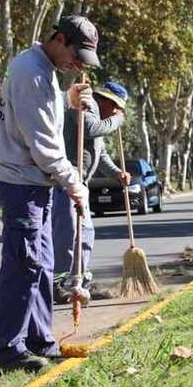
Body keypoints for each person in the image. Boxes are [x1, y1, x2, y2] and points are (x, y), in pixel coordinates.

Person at [0, 15, 101, 372]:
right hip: (21, 182)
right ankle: (10, 350)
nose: (78, 64)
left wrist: (67, 100)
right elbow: (42, 143)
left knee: (43, 265)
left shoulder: (44, 71)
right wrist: (74, 183)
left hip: (36, 182)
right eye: (77, 55)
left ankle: (40, 340)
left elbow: (40, 117)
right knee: (24, 265)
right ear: (60, 39)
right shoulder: (31, 72)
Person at [52, 82, 131, 304]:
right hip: (66, 181)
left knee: (85, 235)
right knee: (67, 235)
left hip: (81, 183)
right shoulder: (88, 105)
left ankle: (79, 282)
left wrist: (117, 173)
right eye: (115, 106)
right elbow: (89, 129)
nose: (116, 112)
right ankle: (58, 283)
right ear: (105, 100)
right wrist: (116, 121)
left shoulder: (99, 118)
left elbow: (101, 153)